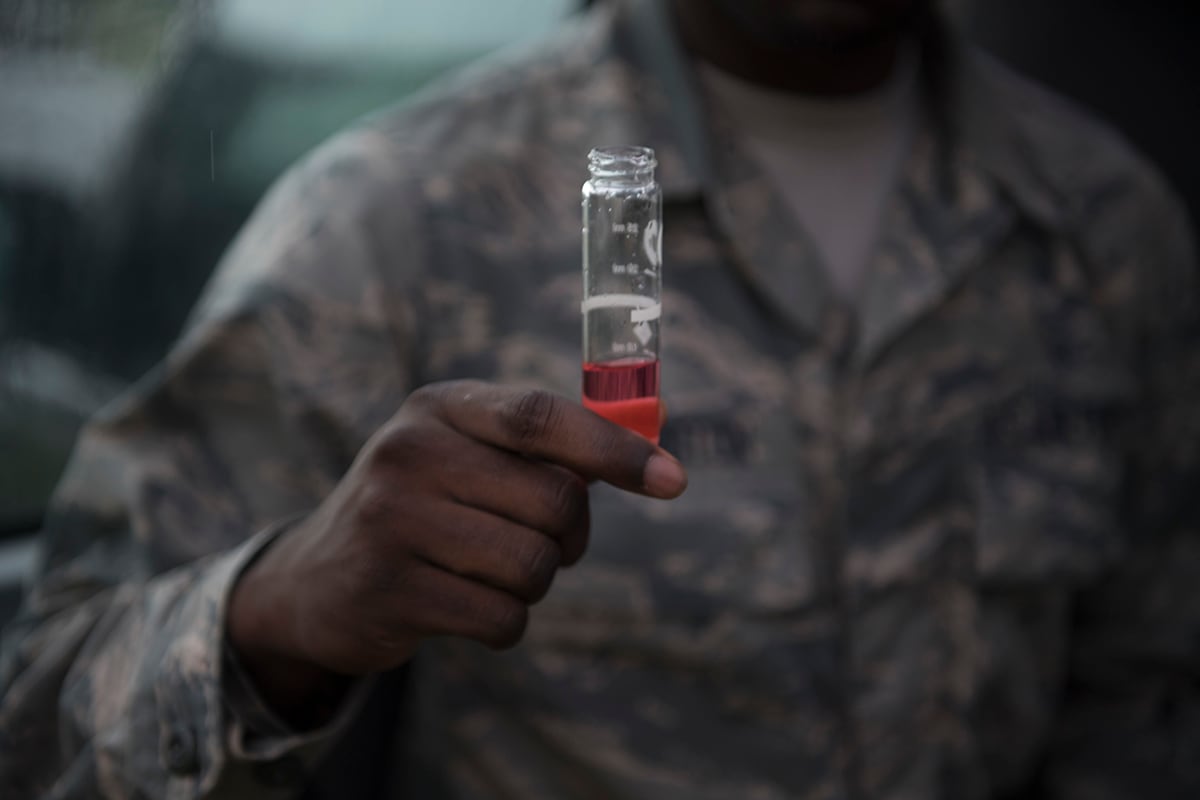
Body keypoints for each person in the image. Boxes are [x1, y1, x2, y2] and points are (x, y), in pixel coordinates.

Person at [2, 0, 1198, 797]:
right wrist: (277, 611)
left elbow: (1143, 708)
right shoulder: (401, 212)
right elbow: (38, 714)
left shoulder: (1107, 228)